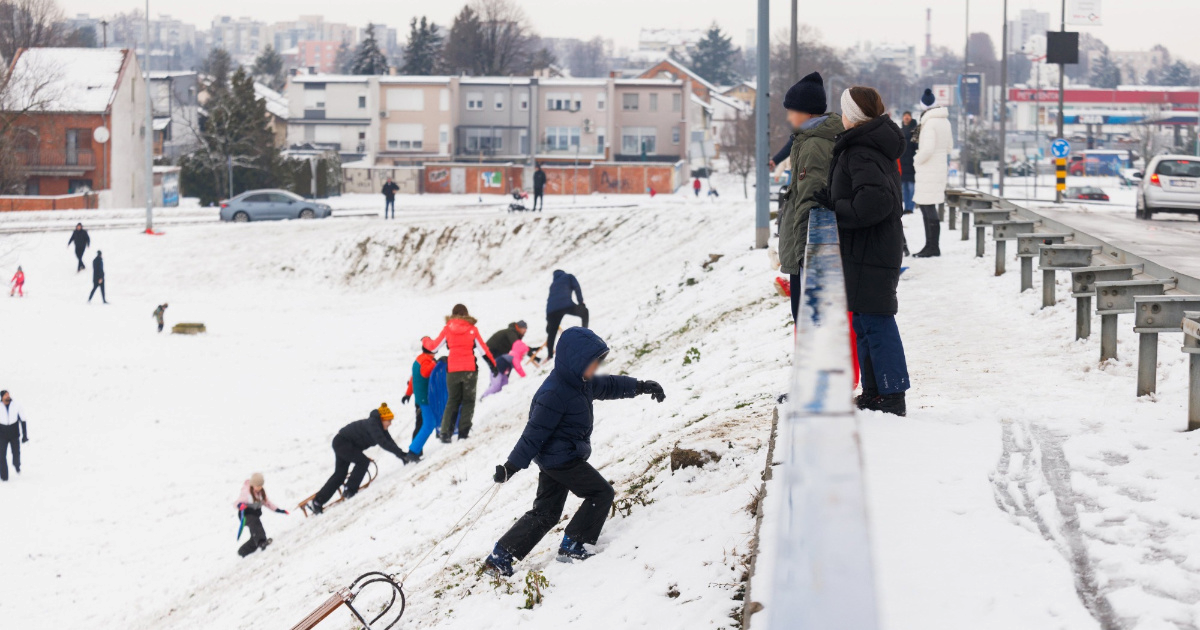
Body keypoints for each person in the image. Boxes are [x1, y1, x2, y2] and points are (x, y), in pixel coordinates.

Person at [482, 328, 666, 577]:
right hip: (562, 460)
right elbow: (533, 434)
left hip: (557, 457)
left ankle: (500, 557)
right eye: (593, 363)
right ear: (575, 361)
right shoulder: (554, 393)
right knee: (600, 493)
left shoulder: (581, 382)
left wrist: (641, 387)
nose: (596, 368)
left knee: (546, 512)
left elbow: (610, 385)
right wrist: (510, 467)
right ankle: (575, 545)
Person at [813, 87, 910, 416]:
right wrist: (835, 200)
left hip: (872, 248)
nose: (841, 116)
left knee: (877, 322)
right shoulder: (865, 146)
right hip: (867, 247)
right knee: (865, 322)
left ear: (853, 116)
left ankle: (892, 394)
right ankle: (874, 392)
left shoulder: (861, 151)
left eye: (844, 111)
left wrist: (836, 208)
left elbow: (876, 202)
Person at [775, 71, 844, 323]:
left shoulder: (814, 144)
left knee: (806, 321)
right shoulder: (808, 139)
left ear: (806, 112)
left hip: (808, 250)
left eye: (791, 111)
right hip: (807, 246)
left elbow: (809, 200)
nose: (788, 117)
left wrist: (805, 255)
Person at [306, 404, 409, 514]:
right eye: (389, 421)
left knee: (340, 474)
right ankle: (349, 490)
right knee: (362, 462)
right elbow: (383, 443)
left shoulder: (379, 426)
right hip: (342, 442)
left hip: (342, 442)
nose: (390, 423)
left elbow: (389, 441)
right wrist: (402, 455)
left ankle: (317, 502)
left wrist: (402, 455)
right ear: (383, 419)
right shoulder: (373, 425)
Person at [429, 305, 497, 443]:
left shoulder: (448, 328)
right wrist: (493, 365)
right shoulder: (472, 329)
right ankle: (463, 433)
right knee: (468, 401)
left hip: (452, 370)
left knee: (453, 400)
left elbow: (434, 347)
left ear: (453, 314)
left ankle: (445, 433)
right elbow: (483, 350)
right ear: (466, 314)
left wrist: (425, 340)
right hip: (469, 370)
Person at [913, 89, 952, 258]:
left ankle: (932, 246)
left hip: (928, 169)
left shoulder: (929, 124)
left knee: (927, 207)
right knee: (930, 206)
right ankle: (931, 245)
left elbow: (927, 150)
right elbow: (949, 147)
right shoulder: (945, 122)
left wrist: (917, 160)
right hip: (939, 167)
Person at [403, 336, 439, 460]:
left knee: (423, 424)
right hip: (425, 399)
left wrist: (408, 394)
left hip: (420, 399)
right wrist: (434, 363)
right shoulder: (427, 361)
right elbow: (425, 373)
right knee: (428, 424)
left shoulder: (418, 359)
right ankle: (413, 452)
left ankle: (415, 451)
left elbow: (413, 379)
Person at [235, 472, 288, 557]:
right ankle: (261, 542)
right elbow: (236, 503)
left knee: (255, 533)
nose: (259, 487)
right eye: (257, 486)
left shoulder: (261, 493)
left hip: (254, 514)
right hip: (245, 515)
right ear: (253, 485)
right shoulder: (246, 492)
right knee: (256, 524)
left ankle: (243, 551)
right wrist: (240, 505)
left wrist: (278, 510)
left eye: (260, 485)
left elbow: (268, 503)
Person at [543, 270, 588, 362]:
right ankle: (585, 337)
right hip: (566, 305)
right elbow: (577, 287)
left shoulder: (553, 285)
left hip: (551, 312)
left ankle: (550, 355)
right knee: (584, 312)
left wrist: (548, 321)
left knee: (552, 332)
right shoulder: (568, 276)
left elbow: (550, 301)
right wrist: (581, 303)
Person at [0, 390, 28, 482]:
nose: (8, 396)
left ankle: (17, 465)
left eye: (8, 394)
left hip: (14, 433)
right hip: (2, 435)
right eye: (5, 395)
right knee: (1, 456)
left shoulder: (16, 405)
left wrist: (25, 435)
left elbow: (23, 420)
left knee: (16, 453)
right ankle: (4, 476)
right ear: (2, 397)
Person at [899, 111, 917, 213]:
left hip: (912, 163)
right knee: (904, 188)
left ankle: (910, 207)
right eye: (905, 116)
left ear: (911, 117)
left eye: (908, 116)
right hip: (902, 163)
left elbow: (917, 146)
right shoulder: (900, 130)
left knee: (911, 187)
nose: (906, 117)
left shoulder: (915, 131)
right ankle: (906, 208)